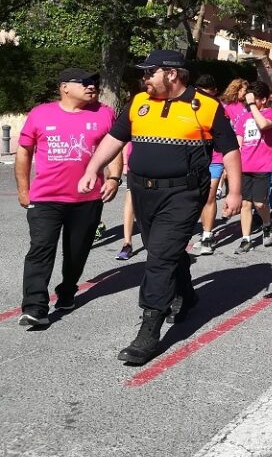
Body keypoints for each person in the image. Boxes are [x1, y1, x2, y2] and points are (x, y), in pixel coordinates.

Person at [79, 50, 241, 364]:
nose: (144, 79)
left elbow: (230, 151)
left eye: (149, 72)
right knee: (161, 250)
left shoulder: (206, 106)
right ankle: (187, 294)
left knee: (159, 257)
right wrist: (92, 168)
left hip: (183, 194)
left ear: (171, 73)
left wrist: (234, 192)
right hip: (142, 191)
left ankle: (149, 329)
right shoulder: (139, 102)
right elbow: (115, 138)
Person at [16, 68, 122, 327]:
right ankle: (35, 307)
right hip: (45, 198)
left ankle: (67, 290)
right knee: (41, 249)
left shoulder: (104, 113)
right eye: (85, 82)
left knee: (76, 253)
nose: (91, 86)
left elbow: (115, 148)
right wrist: (23, 189)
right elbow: (24, 151)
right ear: (64, 87)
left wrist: (113, 178)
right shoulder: (40, 114)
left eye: (94, 82)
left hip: (87, 199)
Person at [233, 81, 272, 253]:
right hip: (245, 166)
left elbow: (263, 125)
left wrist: (253, 105)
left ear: (263, 100)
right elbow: (239, 143)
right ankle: (246, 239)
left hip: (262, 166)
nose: (249, 103)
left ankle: (267, 224)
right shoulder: (244, 118)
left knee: (260, 203)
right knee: (246, 204)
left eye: (254, 100)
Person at [193, 74, 222, 255]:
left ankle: (207, 236)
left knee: (210, 197)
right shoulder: (190, 106)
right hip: (196, 159)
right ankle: (204, 229)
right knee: (200, 198)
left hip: (215, 158)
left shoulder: (217, 108)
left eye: (206, 93)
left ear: (214, 92)